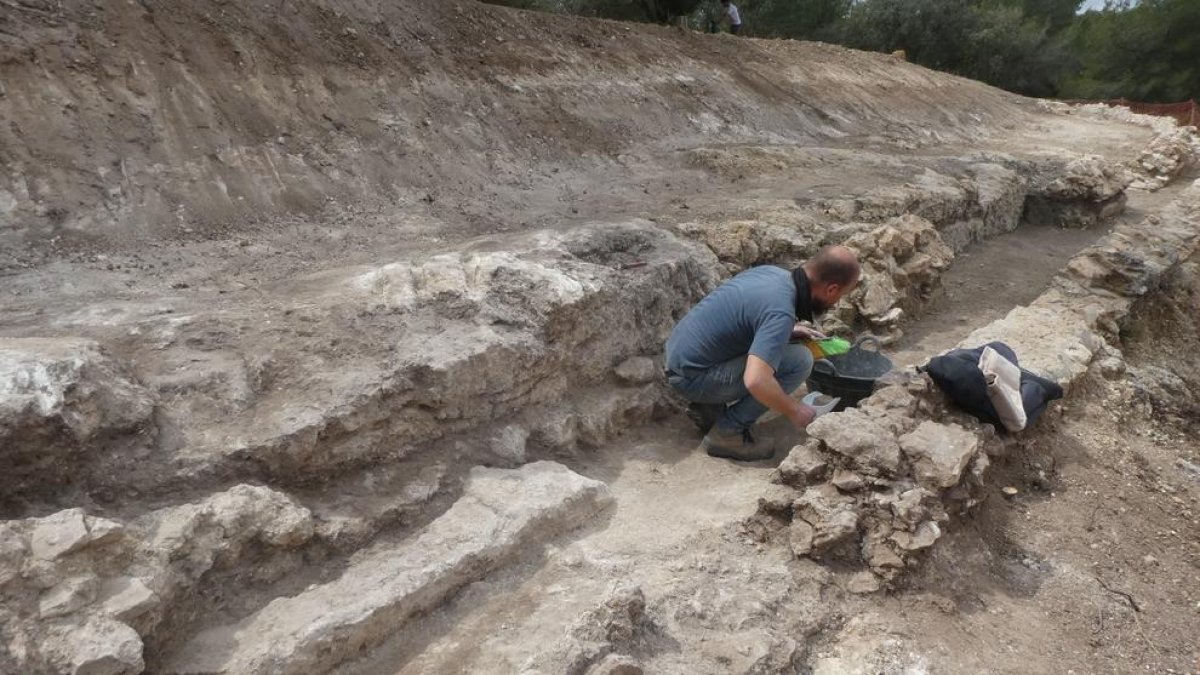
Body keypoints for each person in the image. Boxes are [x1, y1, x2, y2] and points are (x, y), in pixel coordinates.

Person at [664, 246, 861, 461]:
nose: (837, 303)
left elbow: (743, 320)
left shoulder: (772, 274)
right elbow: (756, 380)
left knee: (779, 352)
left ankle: (709, 409)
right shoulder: (780, 311)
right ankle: (727, 433)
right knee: (800, 360)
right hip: (691, 378)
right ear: (831, 289)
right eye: (839, 296)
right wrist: (794, 410)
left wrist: (787, 331)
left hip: (681, 359)